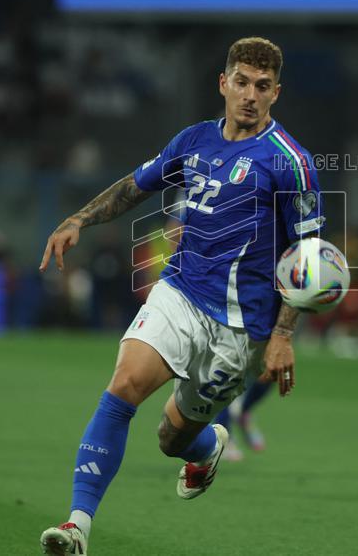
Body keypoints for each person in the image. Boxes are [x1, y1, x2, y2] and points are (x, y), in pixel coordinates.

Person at [39, 37, 324, 555]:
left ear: (276, 93)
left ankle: (209, 443)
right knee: (124, 385)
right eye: (241, 82)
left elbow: (307, 257)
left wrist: (283, 335)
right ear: (223, 83)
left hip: (244, 328)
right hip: (181, 292)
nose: (250, 95)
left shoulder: (292, 163)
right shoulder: (193, 140)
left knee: (172, 438)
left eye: (262, 87)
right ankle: (78, 526)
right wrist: (78, 218)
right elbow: (135, 185)